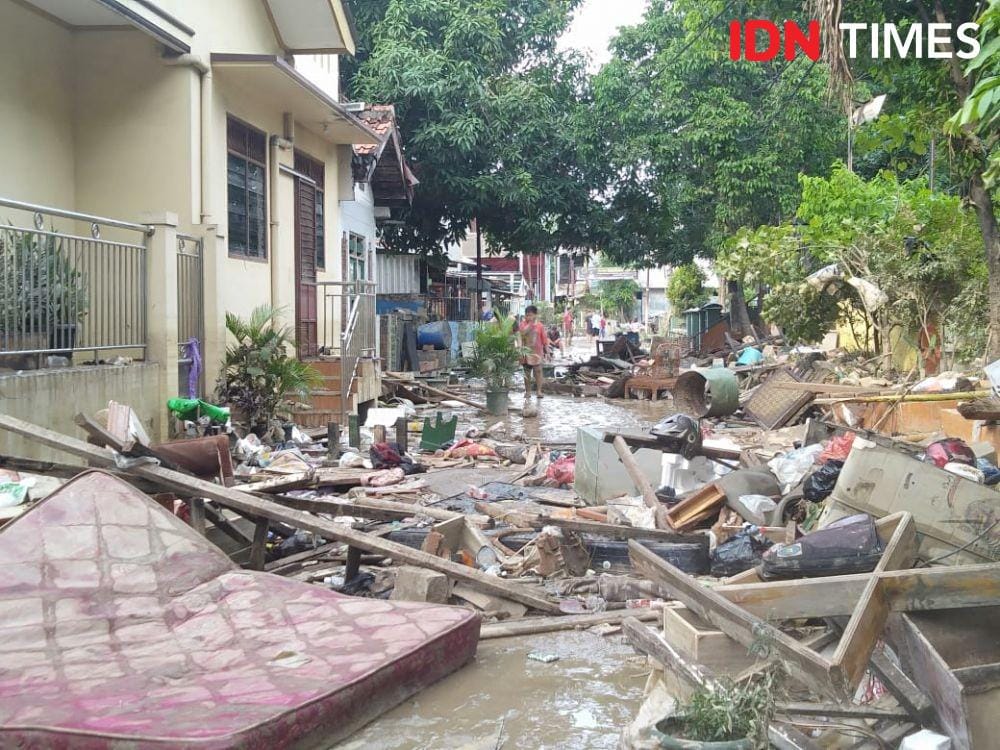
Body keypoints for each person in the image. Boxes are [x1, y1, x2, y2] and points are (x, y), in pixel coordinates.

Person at [518, 305, 548, 399]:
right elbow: (522, 333)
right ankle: (528, 391)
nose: (528, 317)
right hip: (525, 353)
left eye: (530, 315)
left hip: (537, 353)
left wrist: (547, 351)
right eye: (527, 315)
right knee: (526, 373)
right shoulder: (522, 324)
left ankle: (539, 391)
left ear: (535, 315)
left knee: (538, 371)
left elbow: (544, 339)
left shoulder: (540, 326)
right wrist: (530, 325)